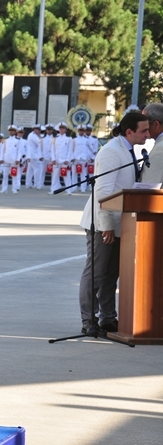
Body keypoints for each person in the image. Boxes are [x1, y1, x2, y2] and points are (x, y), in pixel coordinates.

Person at [78, 111, 149, 334]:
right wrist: (106, 224)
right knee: (96, 273)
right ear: (129, 131)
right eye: (144, 130)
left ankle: (107, 318)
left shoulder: (127, 150)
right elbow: (103, 191)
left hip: (120, 223)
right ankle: (89, 321)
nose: (147, 135)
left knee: (111, 275)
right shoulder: (111, 152)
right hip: (102, 224)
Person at [141, 103, 163, 184]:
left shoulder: (160, 150)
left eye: (145, 123)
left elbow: (149, 187)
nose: (142, 127)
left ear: (156, 124)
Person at [0, 125, 21, 193]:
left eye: (13, 131)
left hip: (14, 160)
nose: (11, 132)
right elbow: (2, 150)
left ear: (15, 132)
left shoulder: (17, 140)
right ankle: (4, 189)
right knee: (5, 175)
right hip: (6, 159)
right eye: (10, 131)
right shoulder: (5, 140)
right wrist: (1, 158)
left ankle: (14, 189)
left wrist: (18, 159)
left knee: (14, 175)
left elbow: (19, 151)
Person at [26, 124, 44, 190]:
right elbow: (39, 142)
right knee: (37, 169)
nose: (39, 131)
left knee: (30, 170)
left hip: (31, 155)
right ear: (34, 129)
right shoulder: (33, 135)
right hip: (33, 155)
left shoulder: (32, 135)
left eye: (39, 130)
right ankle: (37, 184)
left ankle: (28, 184)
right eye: (38, 129)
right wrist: (41, 137)